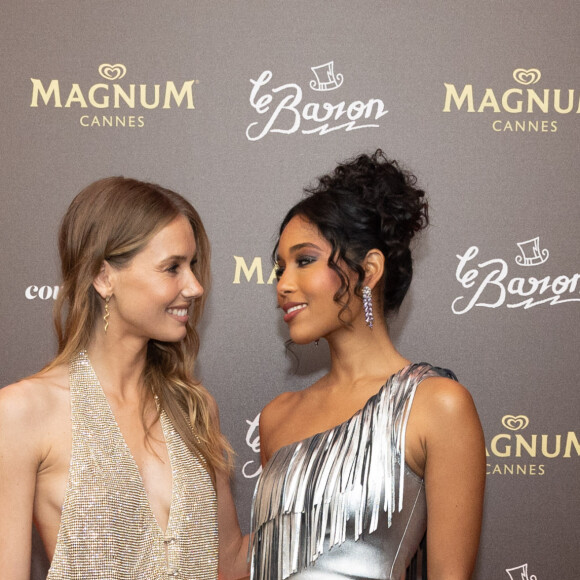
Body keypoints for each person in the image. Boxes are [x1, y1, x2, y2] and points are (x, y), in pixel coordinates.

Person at [250, 151, 486, 580]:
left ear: (369, 270)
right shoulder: (277, 417)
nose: (283, 284)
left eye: (304, 260)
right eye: (280, 267)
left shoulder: (437, 405)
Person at [0, 177, 249, 579]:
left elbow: (230, 563)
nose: (195, 286)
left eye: (193, 266)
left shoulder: (194, 405)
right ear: (103, 277)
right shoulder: (22, 413)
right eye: (173, 268)